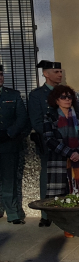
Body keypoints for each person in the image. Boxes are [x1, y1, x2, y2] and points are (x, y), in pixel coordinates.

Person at [43, 85, 79, 237]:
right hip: (60, 162)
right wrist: (69, 153)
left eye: (69, 97)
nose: (67, 100)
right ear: (56, 100)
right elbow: (49, 138)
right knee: (64, 194)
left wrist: (78, 152)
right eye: (63, 97)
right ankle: (68, 226)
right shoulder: (50, 116)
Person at [28, 60, 63, 227]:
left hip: (66, 142)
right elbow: (36, 121)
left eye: (61, 72)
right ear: (46, 74)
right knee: (47, 178)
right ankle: (46, 213)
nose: (60, 74)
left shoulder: (66, 92)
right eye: (56, 72)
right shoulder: (36, 95)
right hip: (48, 142)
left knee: (66, 176)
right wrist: (54, 136)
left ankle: (64, 210)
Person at [0, 64, 27, 224]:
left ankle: (13, 213)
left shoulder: (14, 95)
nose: (0, 78)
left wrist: (9, 133)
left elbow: (22, 117)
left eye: (1, 74)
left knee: (9, 180)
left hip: (8, 144)